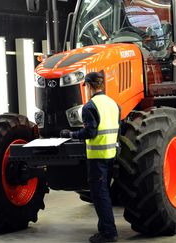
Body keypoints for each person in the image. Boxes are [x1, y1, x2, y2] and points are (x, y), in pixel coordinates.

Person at [60, 72, 119, 243]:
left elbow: (90, 132)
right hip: (110, 155)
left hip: (97, 158)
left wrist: (70, 134)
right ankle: (105, 230)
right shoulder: (113, 104)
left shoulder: (89, 107)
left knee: (100, 197)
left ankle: (109, 233)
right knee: (104, 194)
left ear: (89, 86)